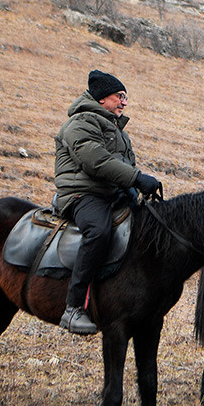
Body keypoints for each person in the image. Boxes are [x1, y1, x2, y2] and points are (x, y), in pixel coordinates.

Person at [53, 69, 162, 335]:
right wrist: (137, 178)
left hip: (110, 194)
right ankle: (74, 307)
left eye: (126, 97)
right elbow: (96, 161)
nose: (124, 102)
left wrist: (136, 189)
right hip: (83, 195)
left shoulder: (117, 130)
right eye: (119, 96)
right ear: (102, 98)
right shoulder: (80, 123)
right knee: (99, 232)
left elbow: (123, 165)